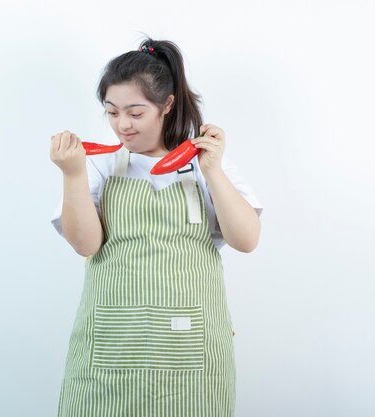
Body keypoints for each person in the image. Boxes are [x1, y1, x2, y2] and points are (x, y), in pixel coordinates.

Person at [48, 36, 263, 417]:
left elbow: (246, 240)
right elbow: (86, 244)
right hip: (112, 350)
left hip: (191, 354)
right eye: (112, 112)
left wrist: (212, 170)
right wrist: (72, 173)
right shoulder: (98, 165)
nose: (122, 125)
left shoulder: (204, 163)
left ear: (166, 105)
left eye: (135, 112)